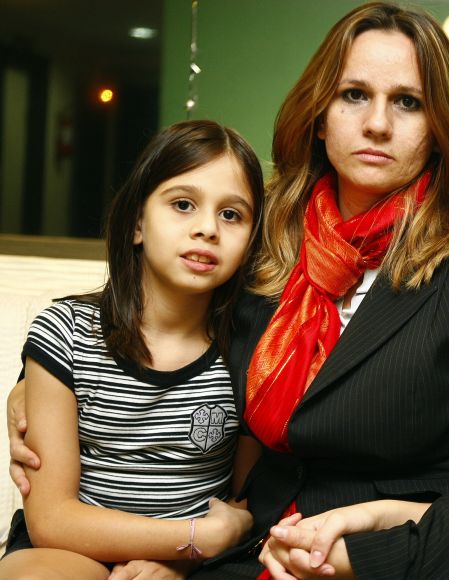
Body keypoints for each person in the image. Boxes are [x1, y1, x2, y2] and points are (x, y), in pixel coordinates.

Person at [7, 4, 449, 579]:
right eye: (354, 94)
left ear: (439, 128)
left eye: (408, 102)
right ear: (320, 115)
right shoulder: (266, 241)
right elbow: (162, 327)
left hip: (406, 558)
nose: (377, 124)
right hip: (253, 548)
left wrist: (370, 559)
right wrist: (36, 386)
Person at [0, 120, 265, 579]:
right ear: (138, 223)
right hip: (74, 546)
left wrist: (182, 560)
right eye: (183, 204)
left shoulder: (250, 349)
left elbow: (246, 502)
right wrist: (193, 538)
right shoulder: (66, 333)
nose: (207, 228)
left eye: (230, 214)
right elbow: (52, 519)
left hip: (196, 562)